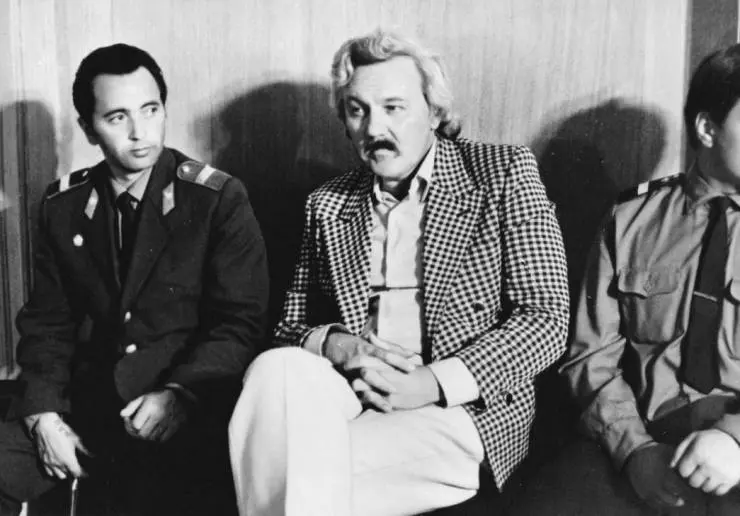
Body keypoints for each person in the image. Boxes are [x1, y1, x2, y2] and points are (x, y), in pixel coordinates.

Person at [228, 29, 570, 516]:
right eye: (357, 110)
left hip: (457, 407)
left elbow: (546, 320)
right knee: (274, 369)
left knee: (291, 467)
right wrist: (340, 345)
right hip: (351, 392)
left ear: (434, 111)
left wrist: (430, 383)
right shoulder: (328, 203)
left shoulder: (501, 173)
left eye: (394, 107)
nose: (374, 128)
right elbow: (289, 327)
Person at [0, 43, 269, 516]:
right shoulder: (63, 206)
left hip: (183, 411)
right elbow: (47, 325)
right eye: (117, 117)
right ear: (88, 128)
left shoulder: (216, 199)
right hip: (85, 409)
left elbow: (240, 324)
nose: (140, 132)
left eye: (150, 110)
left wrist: (181, 393)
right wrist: (43, 415)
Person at [512, 44, 740, 516]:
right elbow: (590, 356)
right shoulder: (629, 221)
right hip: (642, 438)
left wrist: (735, 439)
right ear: (707, 129)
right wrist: (635, 451)